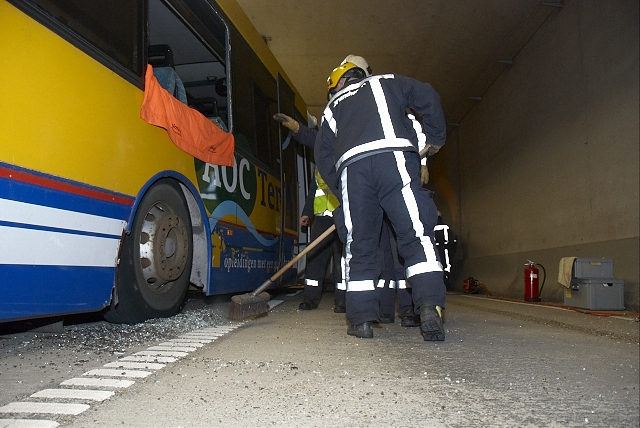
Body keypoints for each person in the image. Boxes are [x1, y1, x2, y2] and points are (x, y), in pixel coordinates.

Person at [314, 59, 447, 341]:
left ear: (338, 83)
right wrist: (435, 138)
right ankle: (429, 305)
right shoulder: (387, 81)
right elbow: (427, 95)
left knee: (359, 245)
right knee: (415, 235)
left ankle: (361, 320)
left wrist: (343, 189)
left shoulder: (333, 107)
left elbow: (323, 156)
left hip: (353, 170)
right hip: (394, 158)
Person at [272, 113, 346, 312]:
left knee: (343, 259)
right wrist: (307, 213)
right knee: (314, 257)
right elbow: (314, 189)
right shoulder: (321, 163)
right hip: (322, 217)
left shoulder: (344, 154)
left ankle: (342, 301)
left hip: (342, 215)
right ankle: (310, 298)